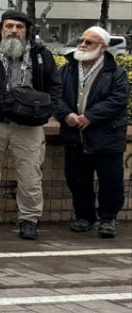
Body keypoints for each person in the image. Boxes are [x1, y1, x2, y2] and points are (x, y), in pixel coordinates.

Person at [0, 10, 61, 241]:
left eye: (19, 27)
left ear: (26, 31)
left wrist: (46, 112)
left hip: (29, 127)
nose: (13, 30)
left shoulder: (42, 56)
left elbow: (55, 87)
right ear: (1, 29)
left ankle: (29, 220)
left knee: (30, 176)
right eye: (9, 26)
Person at [55, 26, 128, 239]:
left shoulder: (116, 72)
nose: (83, 45)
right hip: (74, 135)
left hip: (106, 135)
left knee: (110, 180)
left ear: (102, 48)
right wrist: (66, 114)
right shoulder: (67, 69)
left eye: (89, 43)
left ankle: (108, 219)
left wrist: (91, 116)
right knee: (77, 179)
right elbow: (55, 95)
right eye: (82, 40)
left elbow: (118, 100)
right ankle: (84, 216)